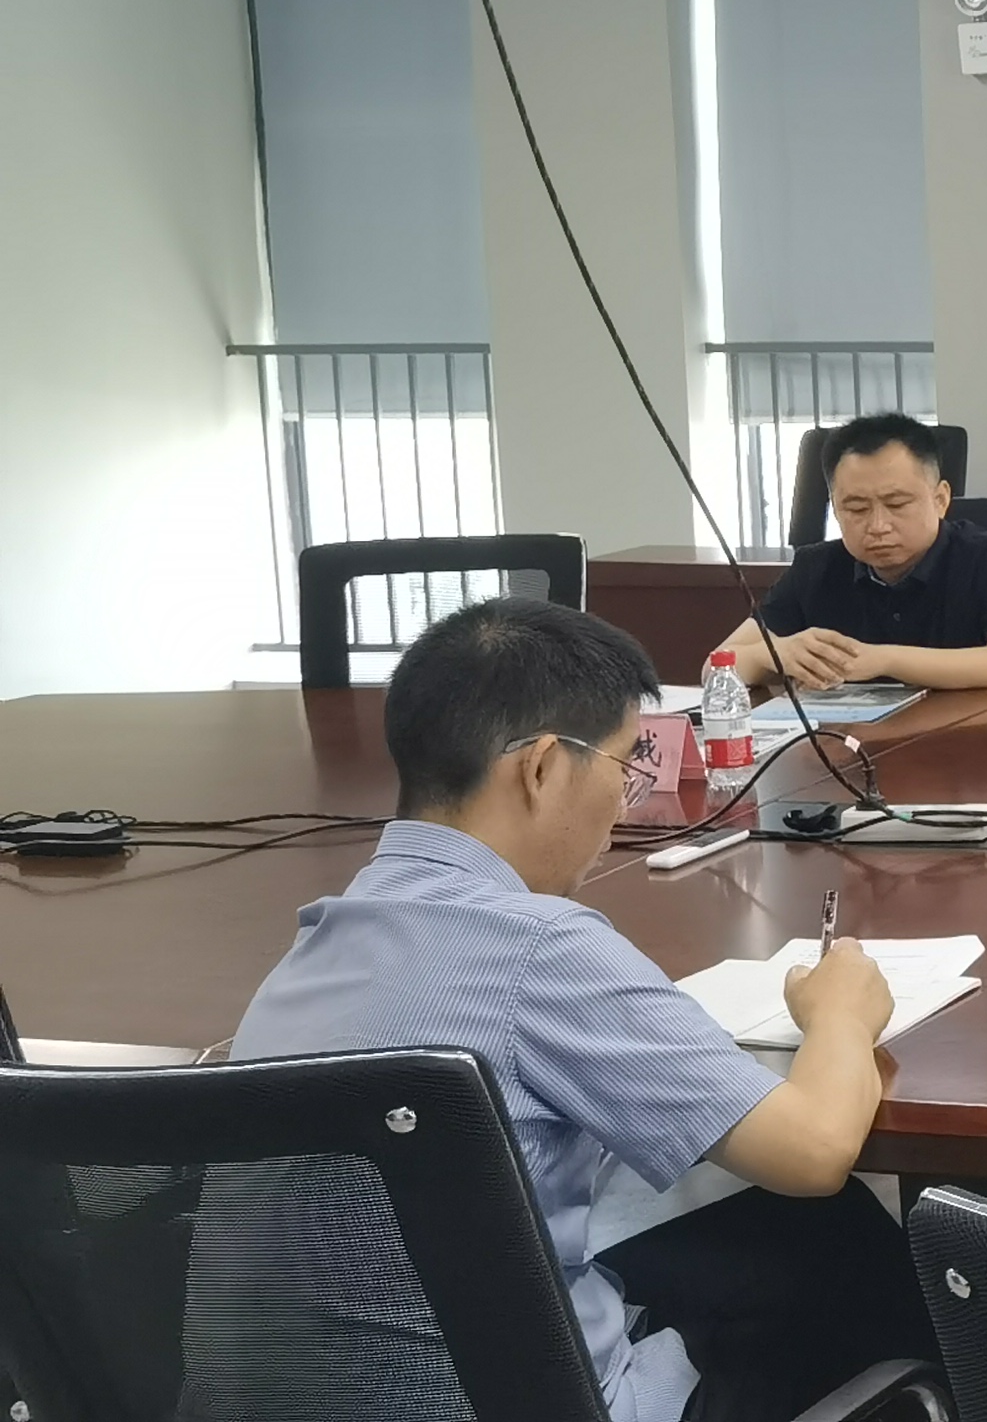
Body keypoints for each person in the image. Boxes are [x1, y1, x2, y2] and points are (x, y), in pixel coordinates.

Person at [224, 599, 928, 1422]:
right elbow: (814, 1151)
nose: (623, 802)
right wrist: (841, 1014)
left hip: (308, 1393)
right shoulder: (537, 945)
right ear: (543, 768)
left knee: (754, 1242)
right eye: (624, 766)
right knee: (846, 1239)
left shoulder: (321, 937)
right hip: (526, 1402)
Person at [715, 413, 987, 692]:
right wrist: (773, 654)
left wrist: (882, 660)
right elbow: (716, 669)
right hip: (849, 745)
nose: (878, 526)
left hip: (969, 743)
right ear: (835, 509)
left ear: (940, 499)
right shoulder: (815, 567)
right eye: (857, 509)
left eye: (897, 504)